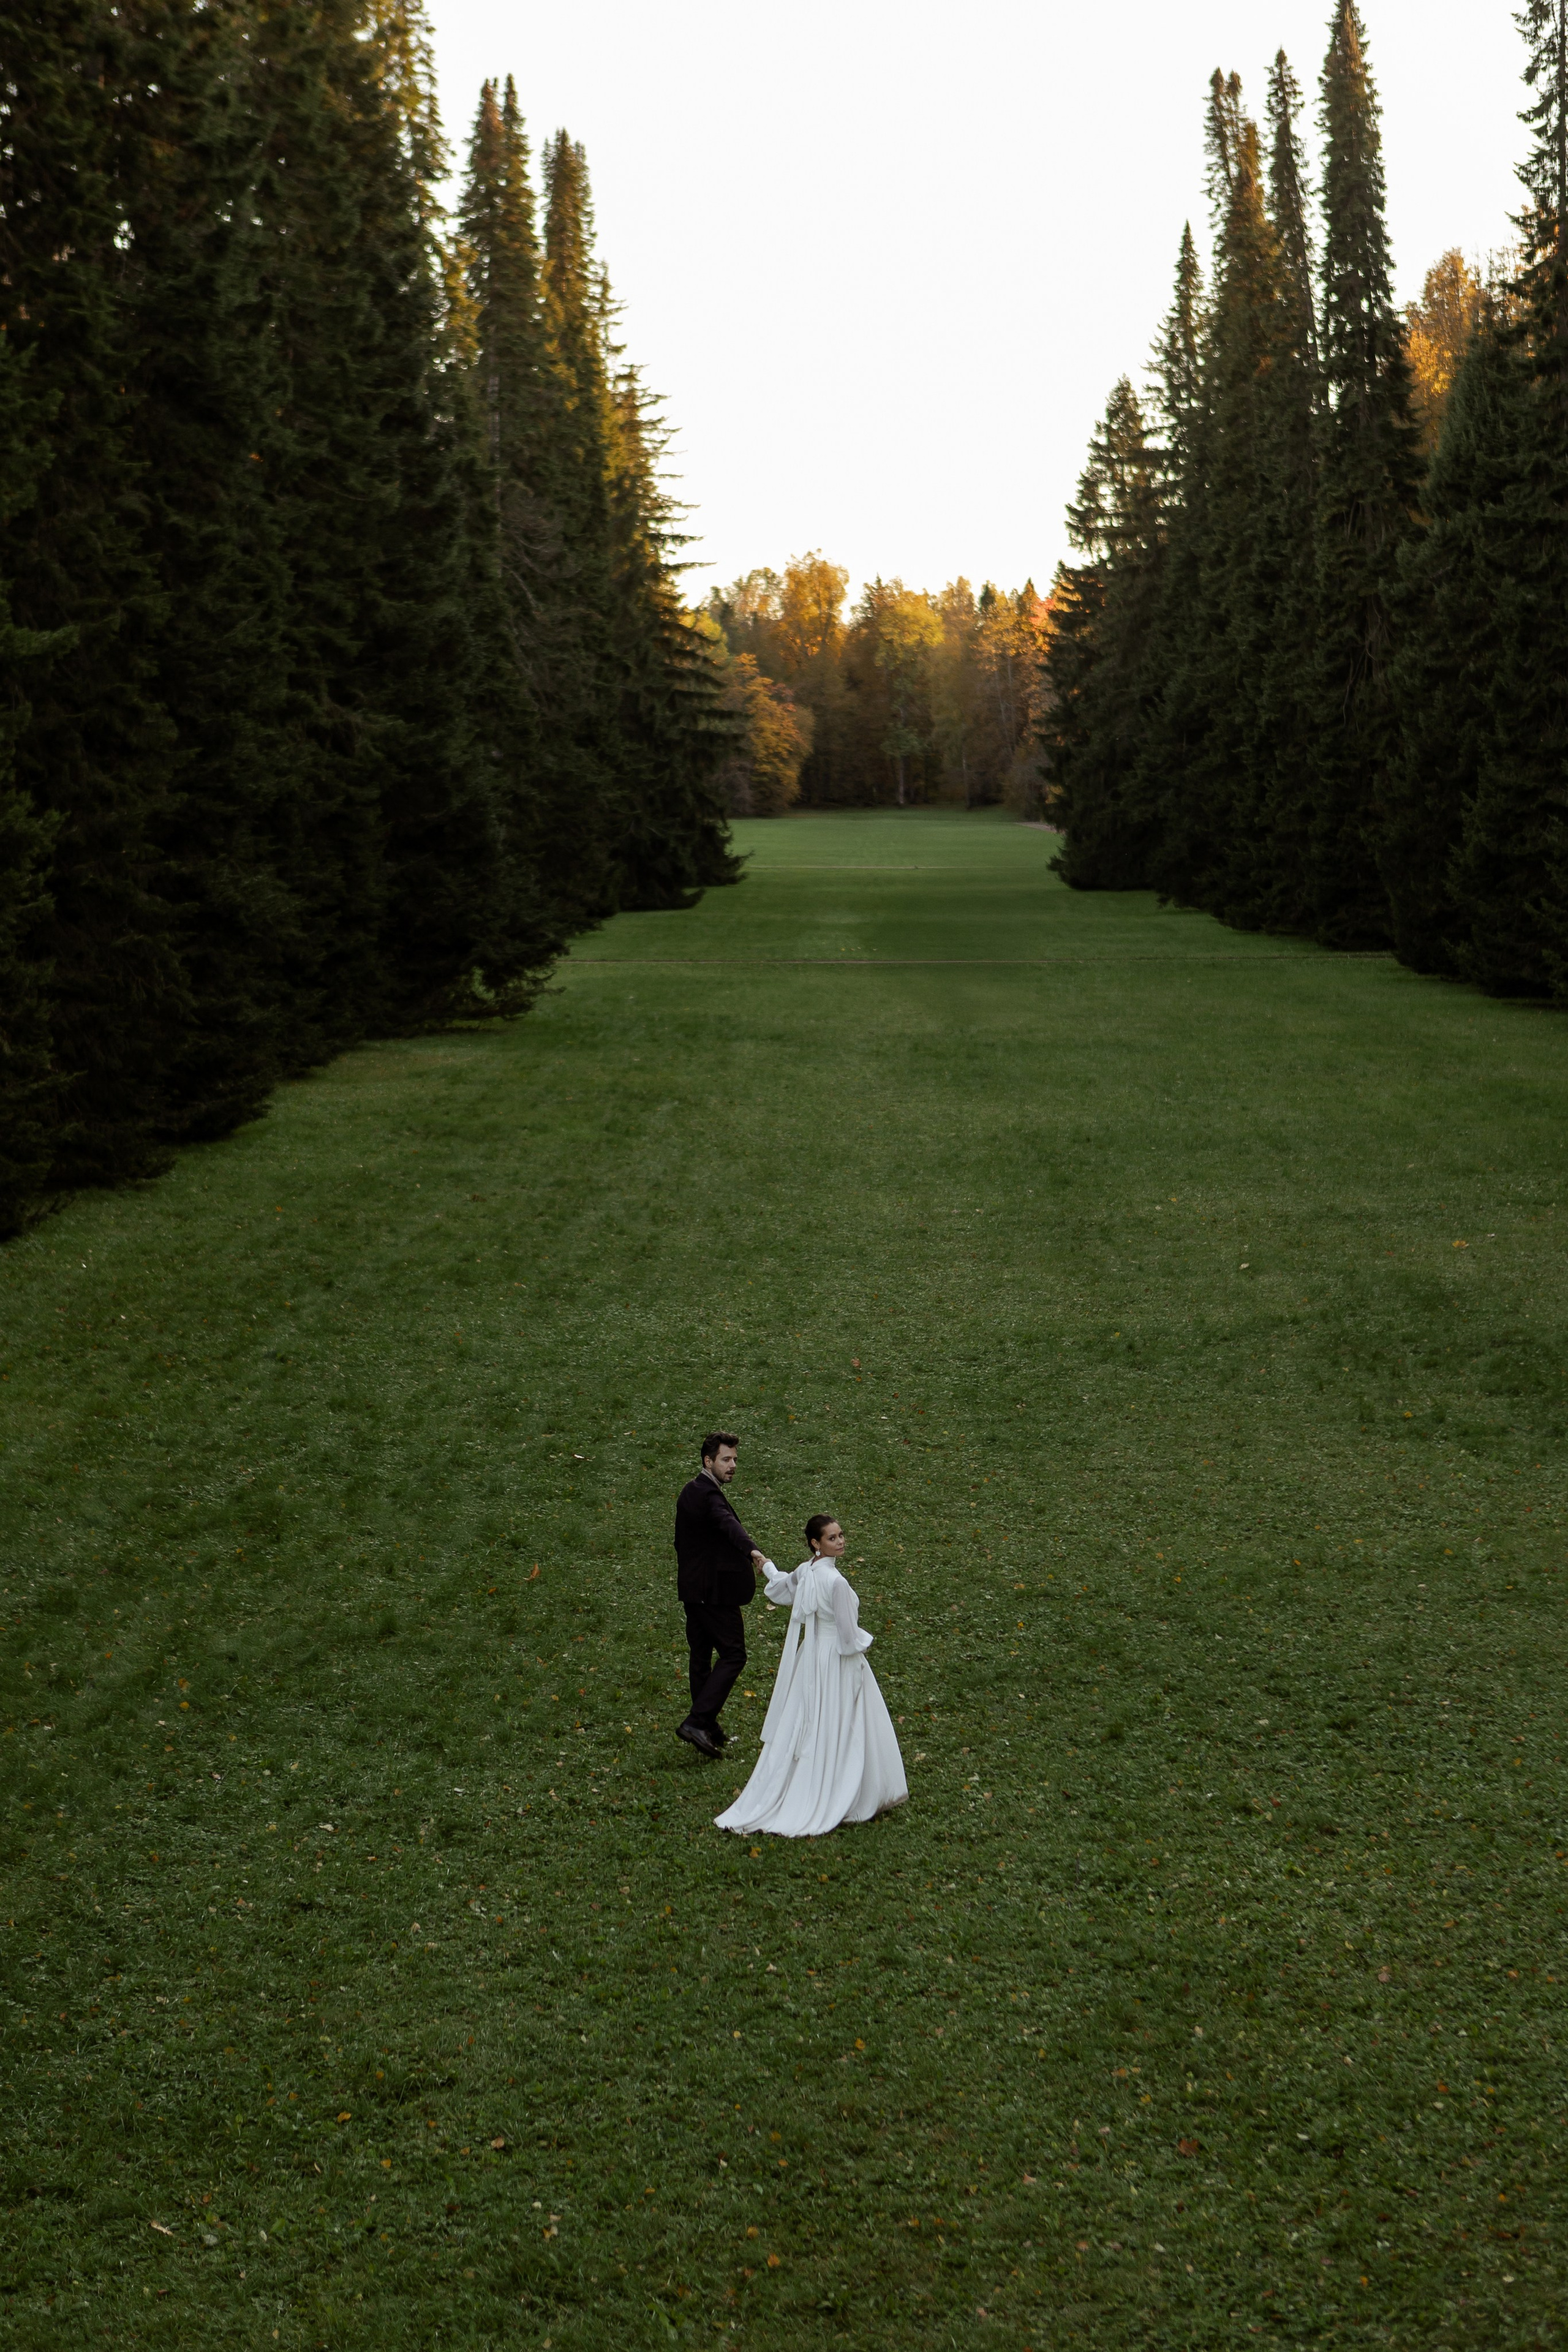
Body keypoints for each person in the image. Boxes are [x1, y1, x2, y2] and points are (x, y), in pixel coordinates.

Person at [715, 1515, 907, 1838]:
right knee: (842, 1721)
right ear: (816, 1543)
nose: (841, 1541)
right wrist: (863, 1650)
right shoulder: (837, 1583)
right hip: (837, 1658)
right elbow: (848, 1636)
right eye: (832, 1538)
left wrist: (766, 1566)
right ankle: (842, 1787)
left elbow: (782, 1587)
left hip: (812, 1657)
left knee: (807, 1718)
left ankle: (807, 1781)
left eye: (841, 1535)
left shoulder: (807, 1571)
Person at [674, 1433, 768, 1758]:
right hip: (713, 1594)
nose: (733, 1465)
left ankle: (707, 1727)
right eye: (726, 1460)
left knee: (700, 1658)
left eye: (735, 1460)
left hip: (693, 1591)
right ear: (708, 1461)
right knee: (734, 1655)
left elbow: (682, 1542)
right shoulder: (708, 1495)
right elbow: (727, 1524)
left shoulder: (691, 1491)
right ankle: (697, 1722)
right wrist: (753, 1552)